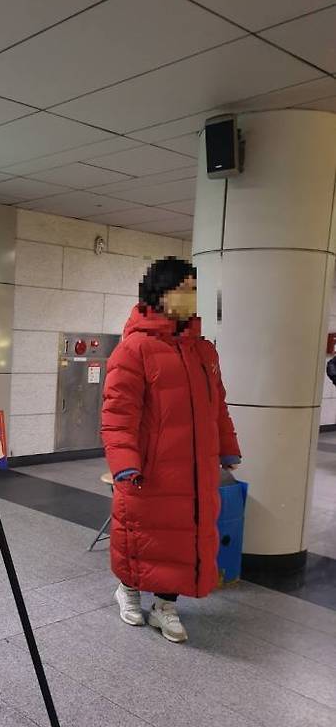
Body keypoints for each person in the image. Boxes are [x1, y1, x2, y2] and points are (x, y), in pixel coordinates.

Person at [101, 257, 241, 643]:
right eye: (185, 290)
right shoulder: (134, 350)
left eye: (195, 290)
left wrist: (227, 448)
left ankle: (166, 606)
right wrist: (124, 464)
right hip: (152, 470)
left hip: (195, 470)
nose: (193, 298)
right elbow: (118, 415)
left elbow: (218, 407)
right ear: (160, 293)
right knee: (140, 534)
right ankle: (128, 591)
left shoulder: (204, 352)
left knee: (182, 538)